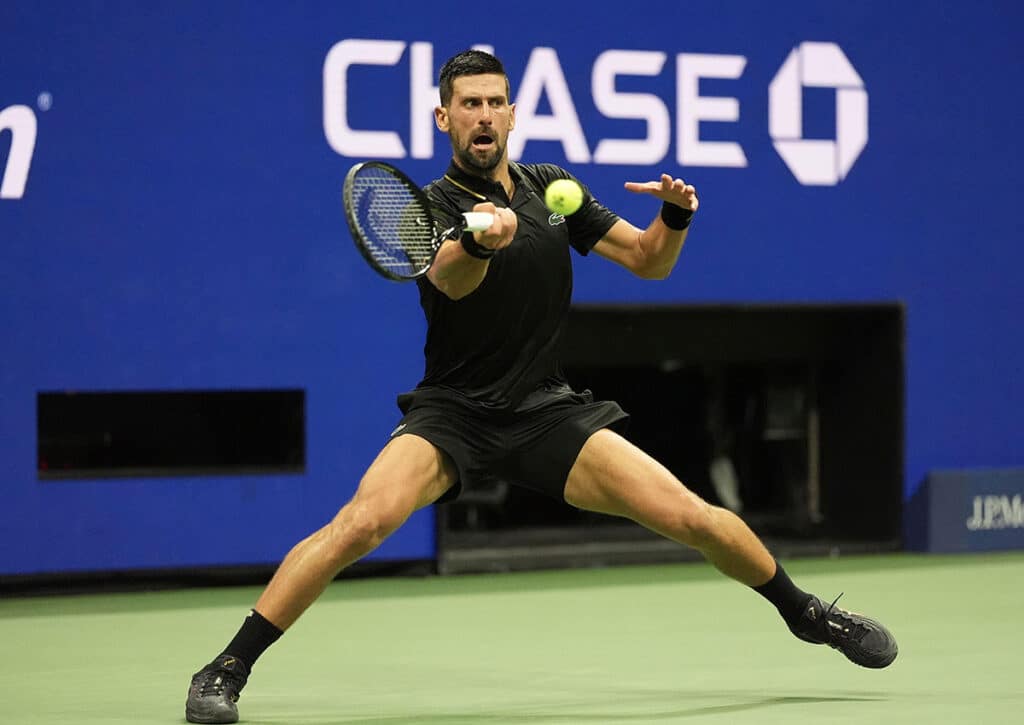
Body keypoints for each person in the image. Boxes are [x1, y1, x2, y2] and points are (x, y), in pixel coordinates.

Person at [185, 49, 897, 724]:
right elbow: (450, 282)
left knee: (693, 515)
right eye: (470, 104)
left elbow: (648, 260)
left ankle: (807, 614)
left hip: (545, 411)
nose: (484, 115)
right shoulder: (427, 208)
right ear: (444, 118)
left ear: (513, 113)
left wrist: (675, 217)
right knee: (361, 524)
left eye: (495, 102)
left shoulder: (552, 187)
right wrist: (479, 242)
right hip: (453, 415)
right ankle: (225, 668)